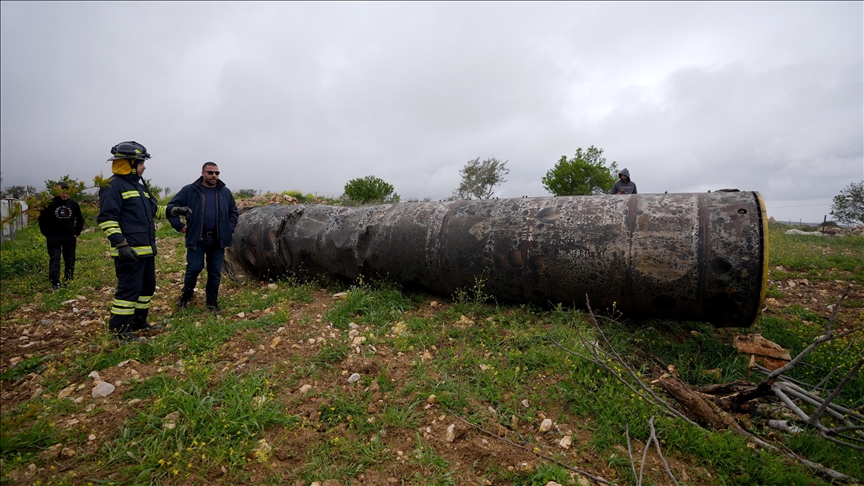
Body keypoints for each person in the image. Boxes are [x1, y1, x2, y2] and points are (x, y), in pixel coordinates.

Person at [96, 141, 190, 341]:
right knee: (129, 289)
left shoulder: (139, 187)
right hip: (129, 251)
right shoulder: (113, 186)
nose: (144, 166)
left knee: (146, 288)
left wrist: (176, 210)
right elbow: (107, 219)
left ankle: (138, 322)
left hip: (146, 250)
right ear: (129, 163)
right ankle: (119, 331)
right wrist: (121, 245)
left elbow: (154, 211)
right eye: (140, 163)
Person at [168, 162, 239, 313]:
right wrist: (179, 226)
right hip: (197, 239)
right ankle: (186, 295)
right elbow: (171, 208)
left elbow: (233, 212)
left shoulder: (224, 192)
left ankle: (212, 302)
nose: (214, 176)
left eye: (217, 173)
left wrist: (229, 228)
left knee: (215, 271)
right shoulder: (190, 190)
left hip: (218, 240)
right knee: (194, 268)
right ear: (203, 173)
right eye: (211, 173)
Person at [38, 181, 84, 291]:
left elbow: (80, 218)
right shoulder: (49, 204)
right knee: (55, 259)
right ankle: (55, 282)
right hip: (54, 237)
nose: (65, 195)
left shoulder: (73, 204)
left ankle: (68, 279)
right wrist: (47, 234)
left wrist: (76, 232)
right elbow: (41, 219)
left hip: (69, 236)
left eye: (67, 193)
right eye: (62, 192)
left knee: (70, 259)